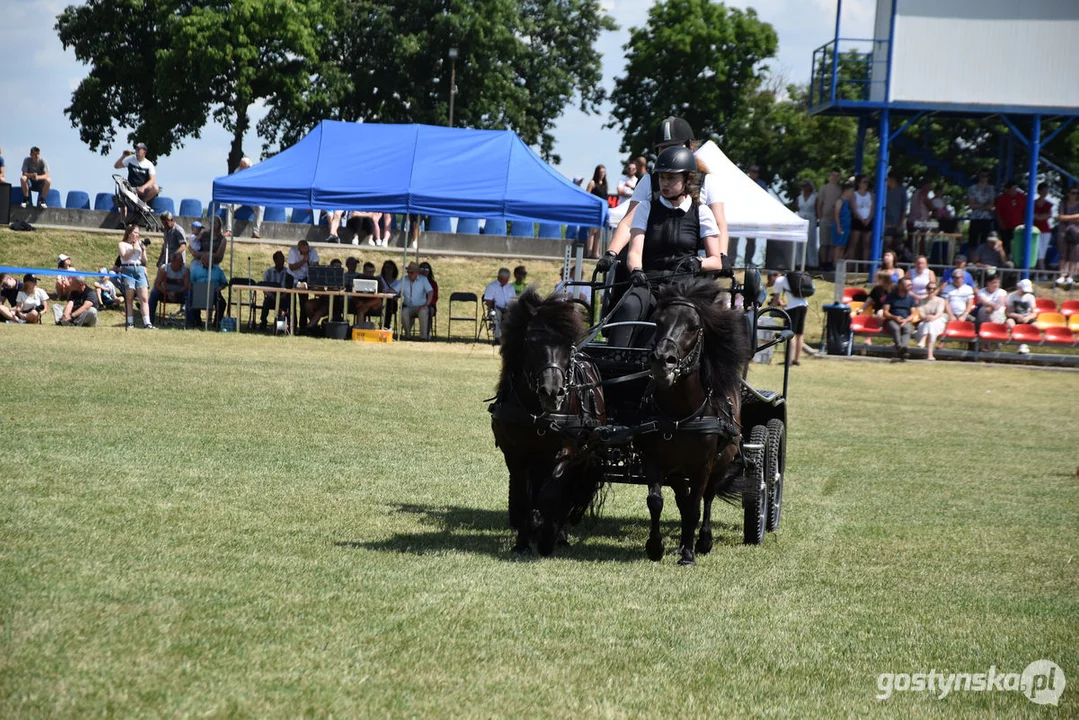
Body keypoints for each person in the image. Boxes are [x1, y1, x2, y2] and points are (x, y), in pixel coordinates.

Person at [607, 145, 726, 348]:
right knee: (629, 305)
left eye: (671, 178)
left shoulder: (702, 213)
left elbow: (716, 261)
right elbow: (635, 252)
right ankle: (615, 360)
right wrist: (636, 270)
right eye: (662, 178)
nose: (665, 183)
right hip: (649, 284)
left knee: (672, 316)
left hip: (683, 289)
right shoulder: (646, 208)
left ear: (687, 180)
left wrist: (699, 262)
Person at [602, 117, 730, 280]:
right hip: (651, 264)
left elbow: (720, 224)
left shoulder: (707, 181)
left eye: (673, 147)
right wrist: (611, 252)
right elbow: (628, 223)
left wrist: (722, 255)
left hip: (693, 267)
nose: (669, 153)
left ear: (690, 147)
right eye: (663, 148)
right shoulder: (649, 181)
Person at [117, 224, 155, 329]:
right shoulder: (122, 244)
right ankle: (130, 322)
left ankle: (147, 323)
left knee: (144, 297)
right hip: (128, 269)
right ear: (129, 233)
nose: (137, 235)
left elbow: (144, 261)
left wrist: (143, 250)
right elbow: (124, 256)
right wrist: (133, 249)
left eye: (138, 233)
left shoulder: (139, 245)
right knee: (129, 297)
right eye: (135, 232)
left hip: (139, 269)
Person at [769, 271, 807, 365]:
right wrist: (784, 305)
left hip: (792, 308)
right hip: (804, 305)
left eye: (770, 279)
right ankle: (796, 360)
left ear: (774, 276)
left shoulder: (779, 280)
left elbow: (776, 298)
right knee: (799, 333)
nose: (772, 281)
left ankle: (788, 360)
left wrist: (770, 308)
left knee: (790, 333)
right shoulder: (792, 279)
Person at [225, 157, 264, 238]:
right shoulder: (237, 171)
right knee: (229, 206)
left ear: (248, 166)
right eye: (241, 165)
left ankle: (255, 232)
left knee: (260, 208)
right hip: (239, 197)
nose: (242, 167)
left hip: (251, 198)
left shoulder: (254, 173)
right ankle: (228, 230)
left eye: (243, 165)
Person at [396, 262, 435, 340]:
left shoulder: (423, 279)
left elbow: (430, 292)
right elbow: (394, 290)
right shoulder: (404, 279)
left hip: (421, 306)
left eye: (411, 272)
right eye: (408, 272)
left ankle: (423, 337)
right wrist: (388, 291)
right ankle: (408, 335)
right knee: (403, 312)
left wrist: (427, 304)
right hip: (408, 306)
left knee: (424, 311)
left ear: (417, 273)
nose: (409, 274)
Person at [113, 142, 160, 207]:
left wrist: (143, 187)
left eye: (139, 150)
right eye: (136, 149)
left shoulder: (149, 164)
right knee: (122, 191)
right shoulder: (130, 159)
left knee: (156, 188)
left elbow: (152, 180)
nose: (137, 151)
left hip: (143, 190)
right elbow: (117, 166)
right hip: (131, 189)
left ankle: (142, 203)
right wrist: (123, 156)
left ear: (144, 152)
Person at [882, 276, 916, 361]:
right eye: (908, 285)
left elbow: (913, 314)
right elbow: (885, 312)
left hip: (905, 320)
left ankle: (902, 349)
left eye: (911, 285)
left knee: (907, 328)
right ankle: (901, 349)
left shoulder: (911, 298)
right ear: (900, 286)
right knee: (895, 328)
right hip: (892, 320)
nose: (910, 287)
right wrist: (894, 317)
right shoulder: (891, 296)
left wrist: (906, 320)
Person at [148, 254, 189, 325]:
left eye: (182, 261)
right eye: (179, 262)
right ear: (173, 262)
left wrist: (175, 293)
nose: (181, 264)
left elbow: (186, 286)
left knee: (189, 295)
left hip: (179, 294)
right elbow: (156, 284)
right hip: (165, 293)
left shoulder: (185, 270)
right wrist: (167, 293)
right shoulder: (164, 269)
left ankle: (190, 321)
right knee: (154, 293)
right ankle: (149, 320)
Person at [286, 239, 319, 329]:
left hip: (304, 276)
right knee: (291, 302)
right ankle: (292, 325)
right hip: (292, 276)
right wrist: (303, 261)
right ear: (299, 249)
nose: (305, 253)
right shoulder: (292, 251)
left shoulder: (313, 252)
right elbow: (292, 267)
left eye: (306, 251)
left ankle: (303, 326)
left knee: (304, 302)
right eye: (302, 252)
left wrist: (310, 262)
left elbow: (316, 266)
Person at [816, 168, 842, 270]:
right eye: (833, 175)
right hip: (824, 218)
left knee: (832, 243)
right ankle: (823, 262)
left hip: (835, 219)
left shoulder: (840, 189)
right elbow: (819, 203)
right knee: (823, 242)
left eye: (837, 176)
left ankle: (830, 262)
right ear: (829, 176)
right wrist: (819, 216)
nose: (835, 177)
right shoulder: (824, 188)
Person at [914, 280, 946, 360]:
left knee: (931, 325)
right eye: (929, 288)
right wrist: (926, 318)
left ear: (936, 289)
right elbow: (920, 313)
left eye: (933, 289)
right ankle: (930, 355)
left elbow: (939, 313)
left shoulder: (940, 300)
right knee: (930, 327)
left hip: (938, 321)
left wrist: (932, 318)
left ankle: (923, 339)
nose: (931, 290)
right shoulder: (922, 301)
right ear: (926, 289)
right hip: (925, 321)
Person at [483, 267, 517, 344]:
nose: (506, 281)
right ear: (499, 277)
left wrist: (508, 308)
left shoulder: (510, 287)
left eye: (507, 279)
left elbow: (514, 300)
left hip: (508, 309)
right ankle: (497, 338)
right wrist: (500, 308)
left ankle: (509, 338)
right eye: (504, 279)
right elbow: (488, 302)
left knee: (514, 315)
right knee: (497, 314)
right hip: (494, 309)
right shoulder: (491, 286)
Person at [1055, 187, 1079, 288]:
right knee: (1063, 254)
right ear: (1068, 193)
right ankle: (1062, 275)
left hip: (1076, 232)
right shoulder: (1062, 204)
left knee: (1075, 254)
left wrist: (1067, 217)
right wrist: (1076, 216)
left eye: (1077, 193)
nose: (1075, 195)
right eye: (1073, 193)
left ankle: (1071, 276)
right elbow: (1060, 217)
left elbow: (1063, 217)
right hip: (1063, 231)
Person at [259, 251, 289, 330]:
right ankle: (263, 323)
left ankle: (281, 325)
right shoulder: (268, 272)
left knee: (285, 303)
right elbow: (264, 289)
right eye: (280, 259)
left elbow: (289, 287)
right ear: (275, 260)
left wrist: (283, 295)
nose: (282, 261)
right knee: (266, 302)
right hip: (271, 296)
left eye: (283, 259)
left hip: (283, 296)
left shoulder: (288, 272)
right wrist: (271, 295)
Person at [967, 168, 995, 251]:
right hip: (975, 218)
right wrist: (984, 206)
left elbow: (991, 205)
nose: (984, 178)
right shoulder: (972, 188)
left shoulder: (991, 188)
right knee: (973, 241)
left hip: (987, 218)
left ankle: (982, 260)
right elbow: (971, 205)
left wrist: (979, 206)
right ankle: (972, 260)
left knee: (985, 241)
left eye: (986, 176)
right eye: (982, 176)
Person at [585, 164, 608, 258]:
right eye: (601, 172)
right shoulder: (592, 183)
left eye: (604, 172)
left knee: (599, 232)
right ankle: (589, 252)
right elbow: (587, 195)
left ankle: (596, 252)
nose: (602, 174)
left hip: (602, 210)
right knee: (592, 231)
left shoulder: (604, 184)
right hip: (594, 210)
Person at [994, 179, 1026, 247]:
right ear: (1007, 189)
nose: (1014, 191)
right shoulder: (1001, 199)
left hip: (1019, 227)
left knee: (1018, 246)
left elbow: (1025, 211)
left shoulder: (1022, 197)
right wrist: (1001, 226)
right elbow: (997, 213)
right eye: (1012, 189)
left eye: (1015, 189)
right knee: (1006, 246)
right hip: (1006, 228)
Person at [849, 174, 873, 262]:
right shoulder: (854, 194)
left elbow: (872, 209)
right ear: (859, 183)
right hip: (857, 220)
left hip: (868, 221)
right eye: (864, 182)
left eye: (867, 182)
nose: (866, 184)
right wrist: (861, 219)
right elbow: (854, 209)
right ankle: (850, 265)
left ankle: (865, 266)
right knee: (854, 244)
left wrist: (868, 219)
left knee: (866, 244)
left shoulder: (870, 195)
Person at [883, 173, 907, 255]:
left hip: (898, 223)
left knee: (899, 244)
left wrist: (900, 224)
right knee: (887, 242)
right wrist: (885, 222)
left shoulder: (902, 191)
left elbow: (904, 209)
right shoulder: (884, 191)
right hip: (887, 223)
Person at [796, 180, 818, 269]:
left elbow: (816, 209)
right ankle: (799, 262)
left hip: (811, 219)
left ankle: (812, 263)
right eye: (803, 186)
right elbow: (797, 208)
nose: (804, 188)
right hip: (801, 218)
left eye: (806, 186)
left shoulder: (814, 197)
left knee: (811, 242)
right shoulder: (799, 198)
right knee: (800, 242)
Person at [1033, 182, 1053, 270]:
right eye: (1043, 190)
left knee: (1041, 252)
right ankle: (1041, 271)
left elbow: (1048, 215)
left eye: (1046, 190)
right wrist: (1039, 216)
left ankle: (1041, 271)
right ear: (1039, 191)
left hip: (1045, 231)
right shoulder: (1033, 203)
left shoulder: (1048, 204)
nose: (1045, 192)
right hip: (1034, 230)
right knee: (1037, 251)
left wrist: (1038, 216)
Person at [832, 182, 854, 262]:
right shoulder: (840, 201)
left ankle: (840, 263)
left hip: (846, 226)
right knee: (838, 246)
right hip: (840, 225)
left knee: (843, 246)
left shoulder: (848, 202)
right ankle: (835, 263)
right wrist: (838, 226)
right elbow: (836, 214)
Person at [419, 261, 439, 337]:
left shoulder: (433, 283)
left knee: (429, 311)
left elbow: (435, 298)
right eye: (422, 268)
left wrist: (427, 304)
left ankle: (426, 333)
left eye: (426, 269)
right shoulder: (415, 282)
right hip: (416, 304)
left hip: (430, 305)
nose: (424, 271)